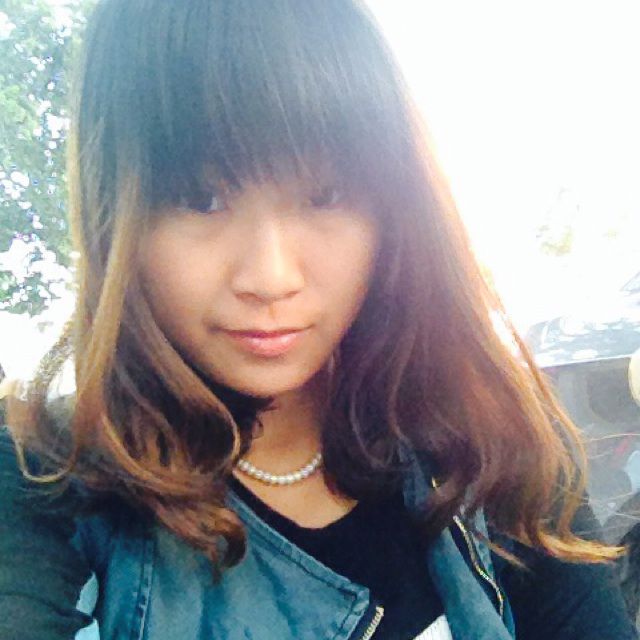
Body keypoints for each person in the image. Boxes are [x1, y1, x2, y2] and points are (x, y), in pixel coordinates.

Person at [0, 1, 637, 639]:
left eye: (325, 195)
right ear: (117, 211)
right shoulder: (44, 481)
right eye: (202, 198)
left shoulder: (489, 441)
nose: (271, 277)